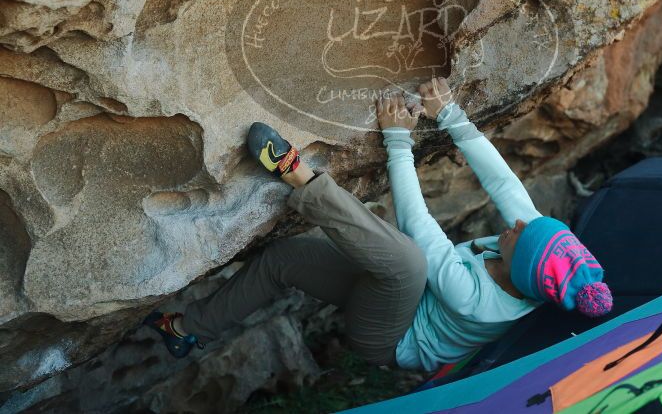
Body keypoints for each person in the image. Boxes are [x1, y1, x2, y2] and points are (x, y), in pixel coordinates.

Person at [144, 77, 612, 371]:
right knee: (283, 260)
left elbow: (419, 226)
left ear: (520, 271)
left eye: (520, 235)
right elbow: (504, 183)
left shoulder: (479, 302)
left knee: (408, 261)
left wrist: (397, 139)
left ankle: (295, 173)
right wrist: (451, 114)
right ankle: (187, 329)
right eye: (527, 224)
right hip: (397, 296)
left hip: (388, 337)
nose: (514, 226)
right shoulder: (529, 255)